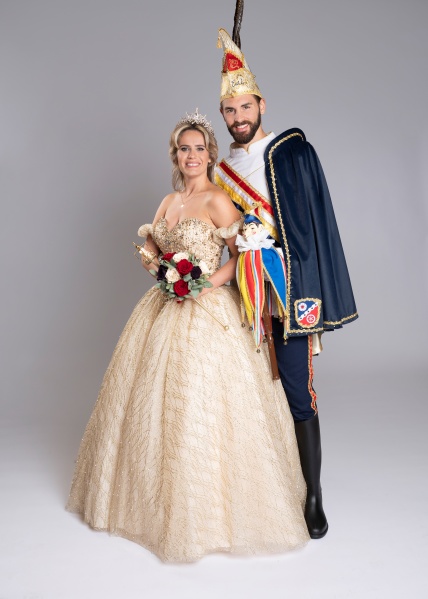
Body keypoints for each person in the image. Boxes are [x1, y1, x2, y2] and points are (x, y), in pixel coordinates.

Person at [67, 110, 310, 563]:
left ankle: (209, 510)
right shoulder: (168, 201)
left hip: (207, 306)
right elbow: (154, 248)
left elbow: (242, 256)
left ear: (210, 155)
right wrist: (157, 266)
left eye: (199, 149)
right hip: (164, 305)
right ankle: (152, 500)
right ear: (175, 156)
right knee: (150, 400)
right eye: (185, 149)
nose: (192, 156)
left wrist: (202, 284)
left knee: (202, 399)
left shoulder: (218, 200)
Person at [215, 28, 358, 539]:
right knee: (241, 391)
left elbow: (313, 226)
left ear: (261, 104)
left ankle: (313, 494)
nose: (239, 117)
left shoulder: (292, 152)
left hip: (285, 292)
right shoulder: (221, 171)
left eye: (245, 107)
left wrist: (275, 248)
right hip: (240, 295)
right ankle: (252, 488)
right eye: (230, 110)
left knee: (298, 390)